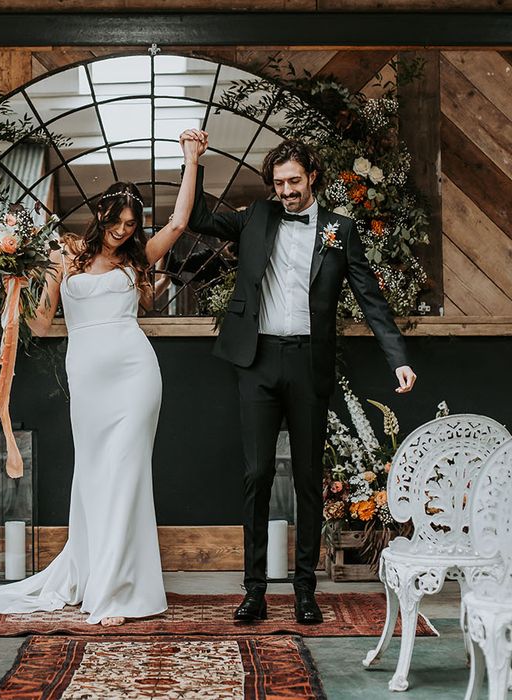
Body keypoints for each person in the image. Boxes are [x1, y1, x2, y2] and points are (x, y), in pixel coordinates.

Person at [0, 135, 205, 627]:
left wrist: (192, 160)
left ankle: (117, 589)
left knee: (128, 475)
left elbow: (177, 222)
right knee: (93, 476)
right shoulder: (64, 256)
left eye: (130, 225)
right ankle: (94, 575)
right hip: (88, 377)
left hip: (136, 374)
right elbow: (43, 325)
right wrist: (15, 284)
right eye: (116, 222)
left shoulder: (138, 260)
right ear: (101, 216)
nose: (122, 231)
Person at [179, 133, 417, 625]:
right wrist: (192, 160)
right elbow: (199, 217)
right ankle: (254, 590)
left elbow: (370, 299)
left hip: (310, 362)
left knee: (309, 479)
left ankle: (306, 590)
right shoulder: (255, 218)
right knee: (256, 474)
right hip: (258, 359)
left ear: (312, 177)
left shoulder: (340, 230)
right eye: (278, 182)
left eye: (293, 181)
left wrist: (397, 357)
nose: (285, 190)